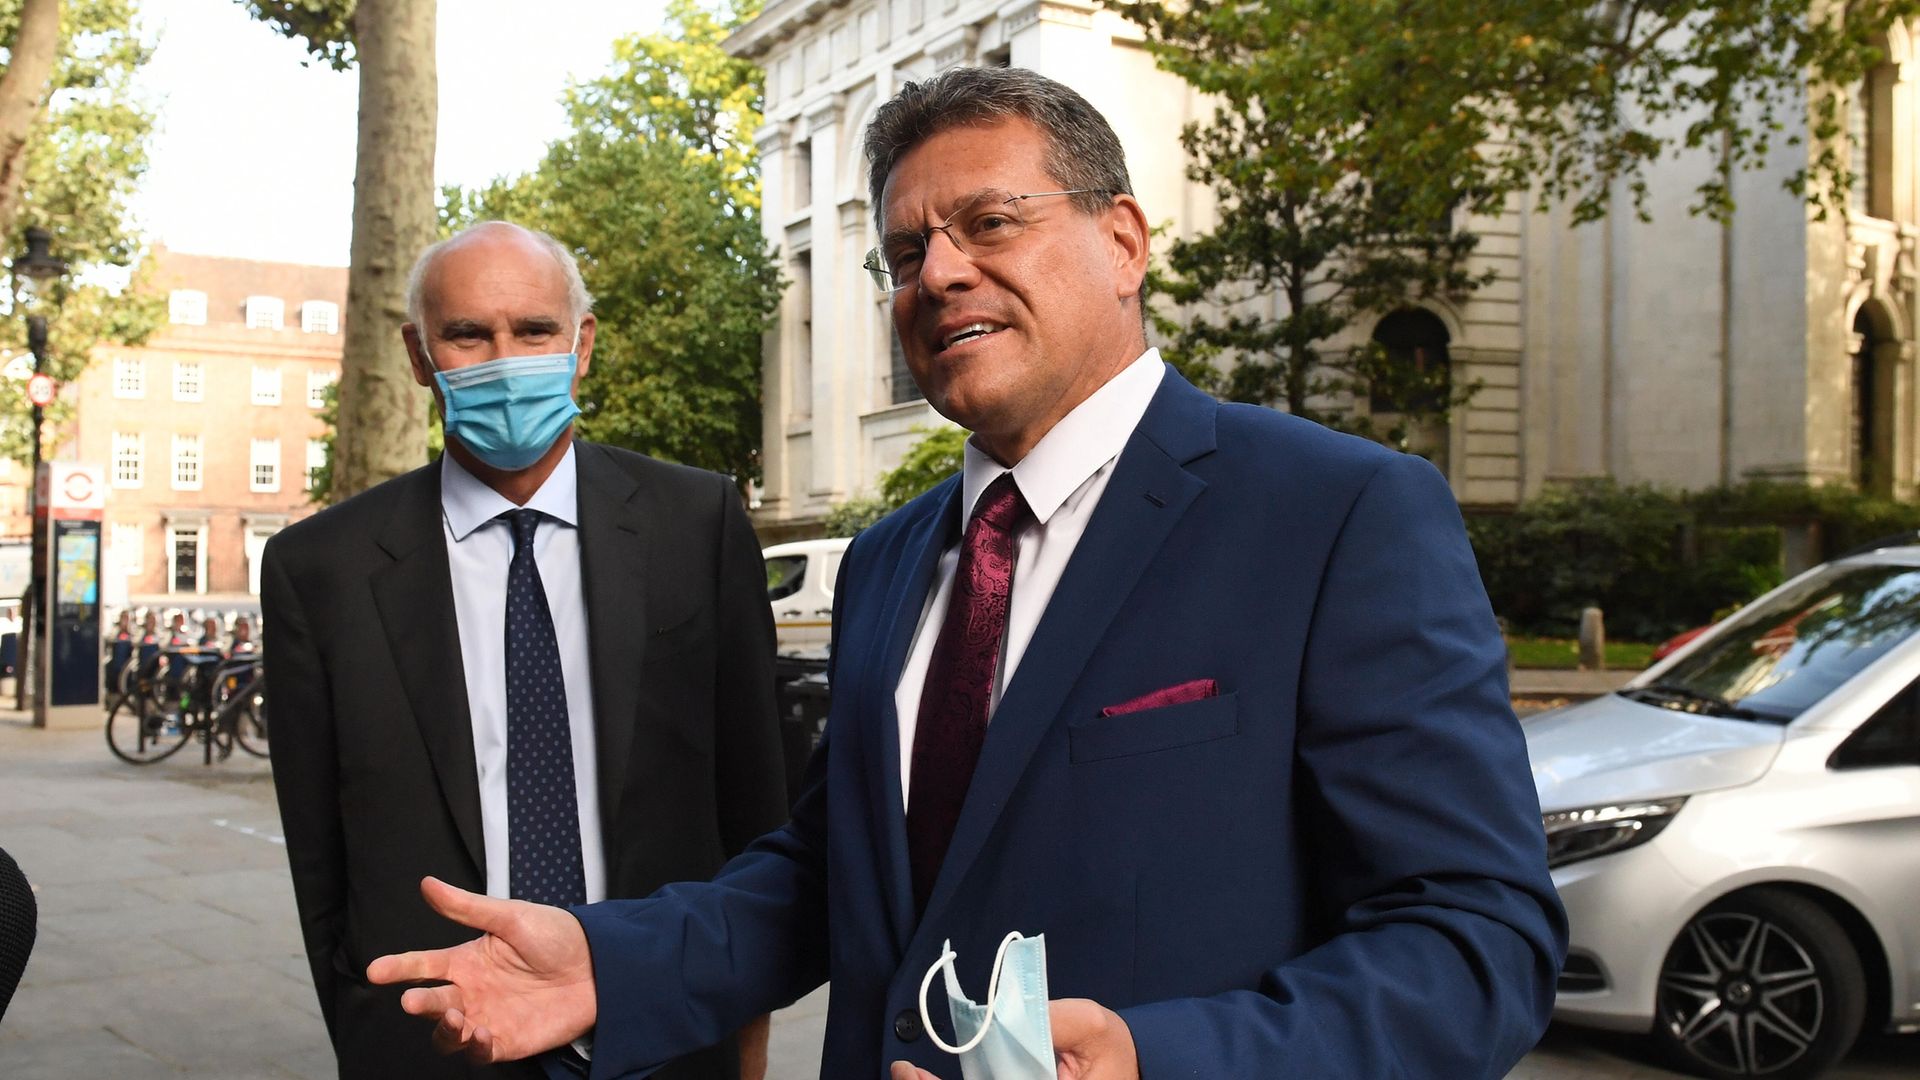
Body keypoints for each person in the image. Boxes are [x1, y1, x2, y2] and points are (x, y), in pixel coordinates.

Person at [370, 68, 1567, 1078]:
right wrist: (614, 959)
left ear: (1123, 242)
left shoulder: (1339, 514)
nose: (937, 273)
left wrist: (1165, 1057)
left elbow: (1476, 941)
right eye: (905, 251)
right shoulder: (896, 561)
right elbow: (839, 873)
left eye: (990, 223)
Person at [264, 221, 790, 1080]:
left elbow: (755, 802)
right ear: (417, 354)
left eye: (534, 331)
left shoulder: (696, 525)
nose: (505, 358)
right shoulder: (320, 569)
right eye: (468, 334)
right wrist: (365, 1035)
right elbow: (319, 856)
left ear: (581, 345)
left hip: (666, 1026)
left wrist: (743, 1024)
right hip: (433, 1037)